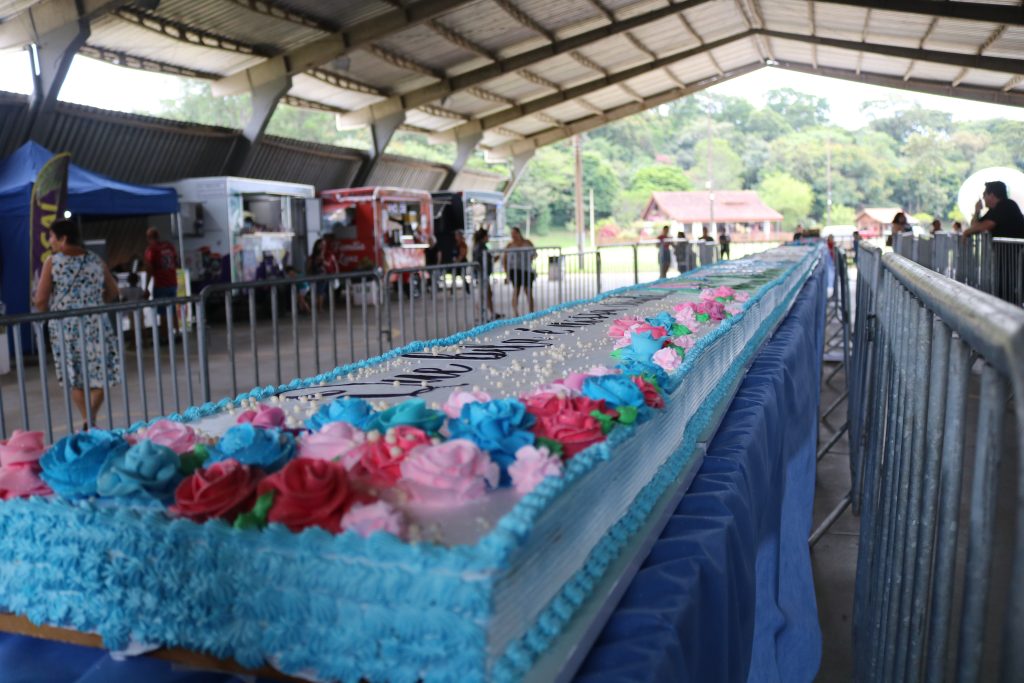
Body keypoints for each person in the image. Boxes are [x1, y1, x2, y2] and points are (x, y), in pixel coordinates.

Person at [33, 220, 121, 430]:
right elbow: (113, 291)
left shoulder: (52, 262)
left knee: (74, 377)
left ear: (63, 238)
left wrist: (48, 311)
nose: (50, 241)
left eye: (52, 236)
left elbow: (41, 300)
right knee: (101, 375)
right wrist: (94, 303)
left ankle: (88, 421)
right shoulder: (96, 260)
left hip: (66, 328)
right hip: (97, 325)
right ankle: (90, 420)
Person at [503, 226, 536, 317]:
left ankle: (531, 312)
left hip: (526, 270)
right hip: (514, 271)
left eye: (514, 233)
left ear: (519, 233)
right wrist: (507, 274)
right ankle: (515, 313)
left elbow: (534, 254)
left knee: (528, 291)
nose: (513, 236)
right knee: (516, 291)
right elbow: (505, 260)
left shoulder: (527, 242)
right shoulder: (510, 245)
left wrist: (529, 258)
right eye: (512, 234)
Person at [472, 228, 501, 320]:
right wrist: (498, 256)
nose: (488, 237)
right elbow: (486, 260)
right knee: (483, 295)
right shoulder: (481, 247)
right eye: (487, 236)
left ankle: (491, 313)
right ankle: (480, 316)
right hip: (482, 274)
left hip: (483, 274)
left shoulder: (479, 246)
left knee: (488, 294)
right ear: (484, 237)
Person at [144, 227, 179, 300]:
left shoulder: (151, 250)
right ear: (158, 236)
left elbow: (149, 269)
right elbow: (176, 262)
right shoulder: (169, 246)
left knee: (160, 307)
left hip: (161, 285)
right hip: (173, 284)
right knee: (172, 306)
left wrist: (146, 287)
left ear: (149, 238)